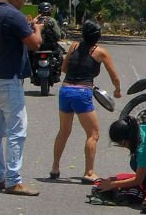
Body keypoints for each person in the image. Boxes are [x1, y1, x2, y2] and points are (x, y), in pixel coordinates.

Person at [0, 0, 44, 195]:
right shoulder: (13, 15)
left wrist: (24, 25)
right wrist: (37, 29)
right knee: (17, 131)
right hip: (9, 80)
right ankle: (13, 180)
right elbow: (35, 44)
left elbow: (9, 37)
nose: (24, 3)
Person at [50, 21, 122, 184]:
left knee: (64, 131)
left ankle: (55, 167)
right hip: (82, 93)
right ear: (98, 36)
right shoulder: (101, 52)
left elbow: (64, 68)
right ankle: (89, 172)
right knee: (93, 133)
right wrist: (117, 90)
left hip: (66, 90)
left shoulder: (74, 46)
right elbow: (114, 76)